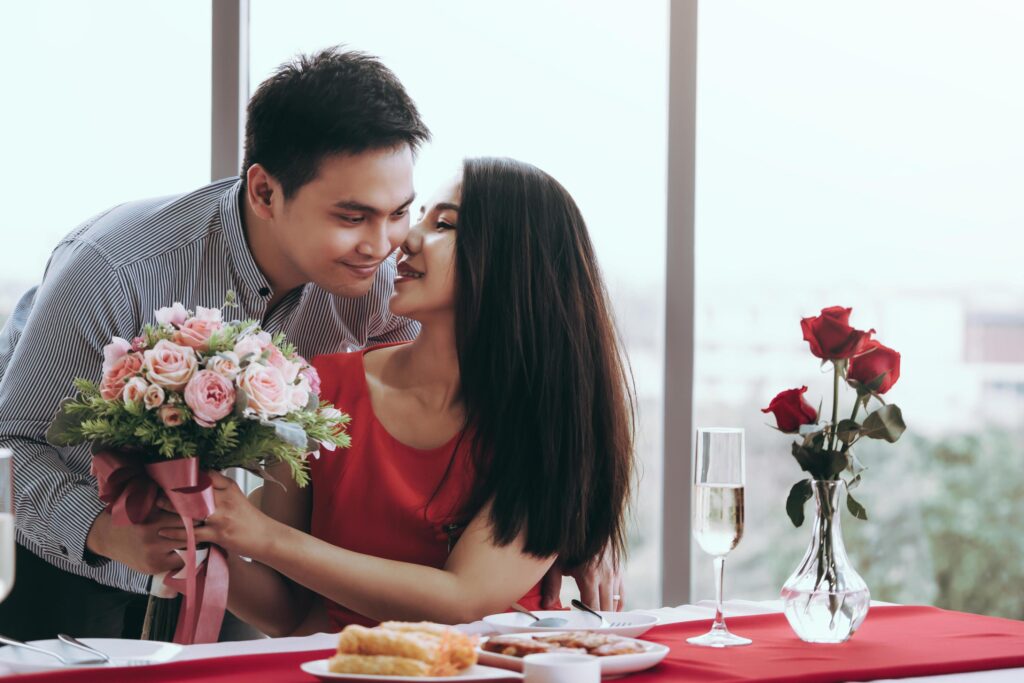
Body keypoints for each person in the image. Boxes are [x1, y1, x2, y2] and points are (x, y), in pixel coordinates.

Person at [0, 48, 617, 640]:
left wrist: (572, 521)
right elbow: (10, 446)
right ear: (265, 192)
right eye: (353, 218)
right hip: (69, 563)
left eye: (402, 211)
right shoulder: (115, 268)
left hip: (230, 571)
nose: (386, 245)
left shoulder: (389, 284)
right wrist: (108, 533)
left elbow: (483, 384)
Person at [157, 158, 635, 634]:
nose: (404, 239)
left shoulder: (549, 427)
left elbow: (463, 599)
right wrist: (197, 542)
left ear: (513, 261)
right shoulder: (317, 390)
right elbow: (291, 613)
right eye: (422, 216)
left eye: (444, 224)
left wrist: (267, 538)